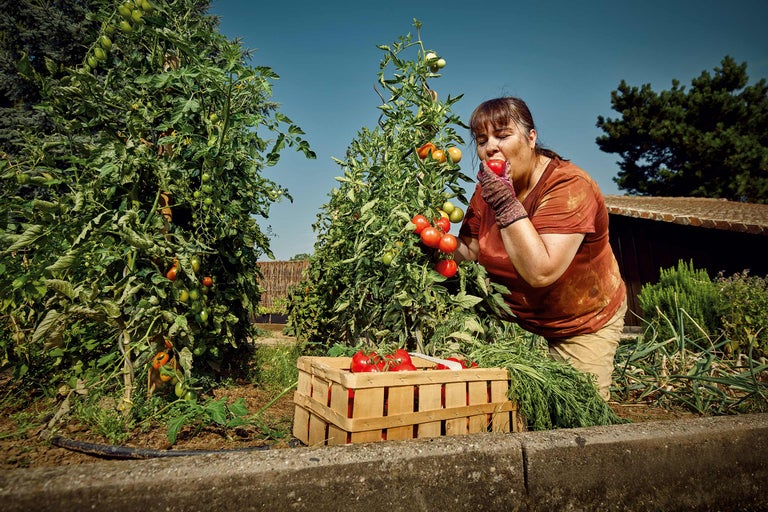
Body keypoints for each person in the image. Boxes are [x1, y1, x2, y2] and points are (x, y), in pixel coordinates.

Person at [454, 96, 627, 401]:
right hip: (516, 322)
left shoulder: (569, 187)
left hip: (579, 320)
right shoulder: (488, 190)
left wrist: (506, 204)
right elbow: (469, 251)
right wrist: (429, 237)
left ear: (531, 138)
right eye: (482, 140)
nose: (490, 147)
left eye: (503, 135)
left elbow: (540, 271)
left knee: (576, 411)